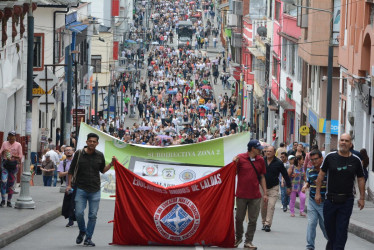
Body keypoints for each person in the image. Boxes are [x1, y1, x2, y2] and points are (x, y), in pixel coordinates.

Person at [315, 133, 365, 250]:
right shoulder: (330, 157)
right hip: (330, 200)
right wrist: (318, 193)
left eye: (346, 141)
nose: (343, 142)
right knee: (329, 229)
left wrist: (361, 197)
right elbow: (321, 175)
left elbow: (361, 179)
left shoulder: (356, 160)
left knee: (341, 230)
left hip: (346, 200)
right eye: (342, 140)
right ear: (339, 142)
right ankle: (331, 246)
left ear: (350, 144)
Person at [66, 133, 115, 247]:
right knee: (78, 213)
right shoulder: (78, 154)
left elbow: (102, 170)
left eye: (94, 142)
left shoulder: (99, 155)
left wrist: (112, 163)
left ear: (97, 143)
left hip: (95, 190)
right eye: (90, 141)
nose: (92, 143)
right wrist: (69, 185)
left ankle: (88, 238)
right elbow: (71, 171)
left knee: (92, 215)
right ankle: (82, 230)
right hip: (81, 189)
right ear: (87, 142)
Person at [233, 139, 268, 249]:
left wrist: (265, 193)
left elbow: (262, 176)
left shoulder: (261, 160)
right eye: (259, 149)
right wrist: (233, 162)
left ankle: (248, 241)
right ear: (252, 148)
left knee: (253, 220)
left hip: (255, 196)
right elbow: (233, 172)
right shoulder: (240, 158)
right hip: (242, 194)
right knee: (239, 218)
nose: (260, 151)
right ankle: (238, 237)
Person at [301, 150, 328, 250]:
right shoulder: (311, 170)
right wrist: (305, 186)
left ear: (321, 158)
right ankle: (310, 247)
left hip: (324, 202)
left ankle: (331, 241)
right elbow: (309, 181)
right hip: (312, 201)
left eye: (316, 159)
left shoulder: (327, 171)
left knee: (324, 225)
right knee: (311, 223)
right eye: (312, 160)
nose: (314, 161)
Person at [261, 146, 291, 232]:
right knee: (263, 207)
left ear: (274, 152)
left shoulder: (279, 163)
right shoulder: (262, 161)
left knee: (271, 205)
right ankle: (263, 222)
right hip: (262, 188)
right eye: (267, 151)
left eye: (270, 151)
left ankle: (267, 224)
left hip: (274, 187)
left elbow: (285, 174)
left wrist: (289, 186)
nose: (268, 153)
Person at [0, 131, 23, 207]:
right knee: (3, 181)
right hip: (5, 165)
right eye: (10, 136)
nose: (11, 138)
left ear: (15, 137)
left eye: (12, 136)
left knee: (11, 183)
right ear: (8, 137)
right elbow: (0, 152)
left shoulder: (18, 145)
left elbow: (20, 156)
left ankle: (9, 201)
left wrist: (14, 156)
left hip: (13, 166)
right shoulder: (4, 143)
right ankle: (3, 200)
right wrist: (3, 151)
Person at [58, 146, 75, 227]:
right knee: (69, 204)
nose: (68, 151)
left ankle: (76, 217)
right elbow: (60, 174)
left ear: (73, 151)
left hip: (78, 185)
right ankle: (70, 220)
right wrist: (68, 172)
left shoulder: (77, 162)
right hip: (69, 186)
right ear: (64, 152)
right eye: (66, 150)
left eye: (70, 150)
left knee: (76, 204)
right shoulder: (63, 163)